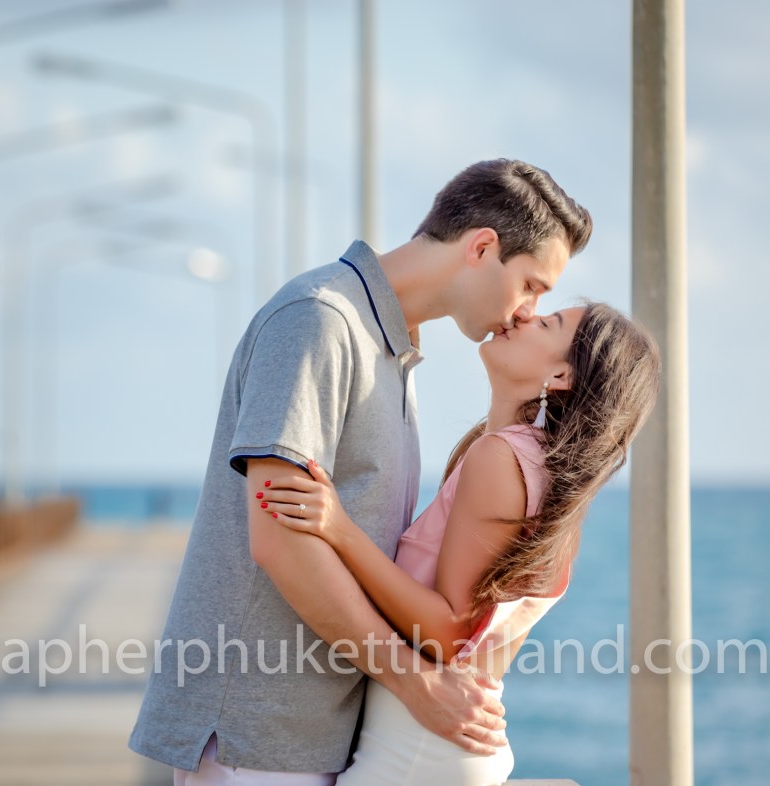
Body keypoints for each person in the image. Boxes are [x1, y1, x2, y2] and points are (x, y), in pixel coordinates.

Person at [129, 159, 593, 782]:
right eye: (532, 286)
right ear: (483, 247)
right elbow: (280, 540)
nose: (525, 312)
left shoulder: (391, 350)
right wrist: (414, 681)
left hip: (318, 732)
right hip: (257, 732)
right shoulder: (318, 320)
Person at [260, 302, 660, 783]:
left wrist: (339, 528)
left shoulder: (502, 458)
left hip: (421, 745)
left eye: (547, 323)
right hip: (445, 740)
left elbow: (449, 634)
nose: (521, 316)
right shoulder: (545, 477)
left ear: (561, 374)